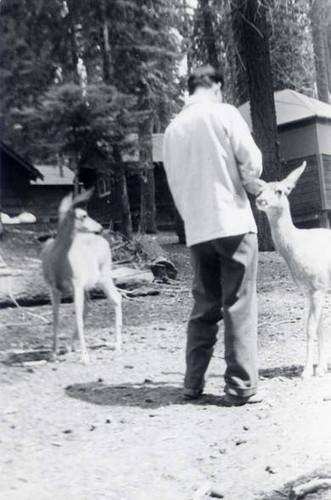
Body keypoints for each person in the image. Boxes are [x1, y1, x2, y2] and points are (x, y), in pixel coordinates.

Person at [163, 65, 264, 406]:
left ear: (190, 89)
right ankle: (239, 386)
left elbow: (175, 184)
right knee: (238, 303)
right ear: (217, 86)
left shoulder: (173, 129)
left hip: (199, 228)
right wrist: (250, 184)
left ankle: (192, 383)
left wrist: (191, 217)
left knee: (204, 305)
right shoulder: (224, 113)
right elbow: (252, 161)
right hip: (233, 221)